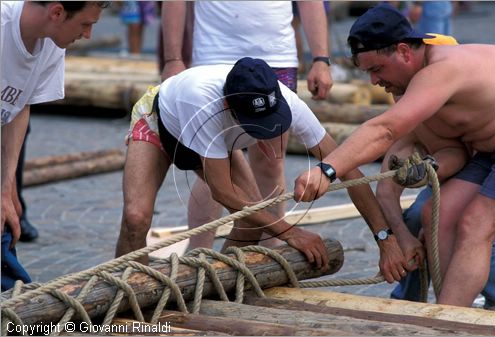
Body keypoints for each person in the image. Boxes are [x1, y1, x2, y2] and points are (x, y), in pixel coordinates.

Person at [115, 57, 410, 283]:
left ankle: (218, 285)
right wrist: (291, 233)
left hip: (216, 139)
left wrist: (385, 239)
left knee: (252, 222)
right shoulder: (201, 100)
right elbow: (222, 192)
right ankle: (124, 289)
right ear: (229, 105)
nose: (267, 132)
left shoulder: (291, 102)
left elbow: (348, 170)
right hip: (159, 122)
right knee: (136, 217)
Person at [294, 3, 495, 307]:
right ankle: (450, 311)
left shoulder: (441, 70)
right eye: (368, 73)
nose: (374, 82)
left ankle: (448, 322)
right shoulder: (406, 87)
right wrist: (400, 234)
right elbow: (449, 151)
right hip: (489, 150)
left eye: (377, 70)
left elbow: (385, 130)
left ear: (404, 51)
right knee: (432, 214)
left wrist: (327, 170)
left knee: (476, 222)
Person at [160, 1, 333, 250]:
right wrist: (173, 58)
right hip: (215, 52)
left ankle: (269, 246)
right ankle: (198, 251)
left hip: (276, 55)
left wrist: (321, 58)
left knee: (272, 160)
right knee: (212, 163)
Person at [1, 1, 108, 290]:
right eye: (86, 24)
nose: (87, 35)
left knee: (6, 229)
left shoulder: (51, 42)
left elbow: (18, 106)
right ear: (57, 12)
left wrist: (7, 184)